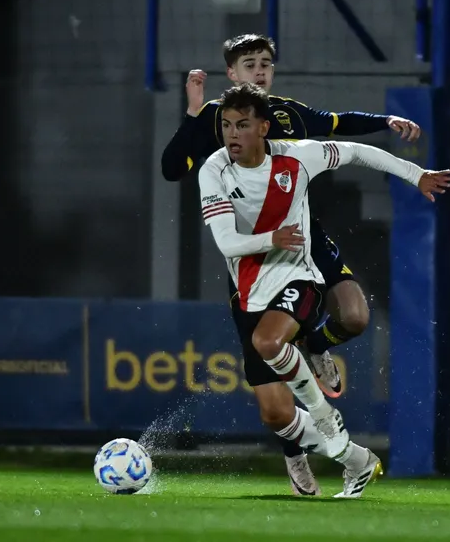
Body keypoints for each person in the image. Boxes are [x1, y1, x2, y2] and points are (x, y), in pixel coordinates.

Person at [162, 33, 422, 494]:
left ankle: (318, 353)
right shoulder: (212, 129)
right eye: (249, 64)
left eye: (265, 63)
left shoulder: (286, 121)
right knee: (275, 408)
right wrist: (192, 113)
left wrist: (390, 126)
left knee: (353, 316)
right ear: (232, 74)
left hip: (299, 240)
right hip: (250, 261)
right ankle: (310, 453)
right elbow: (171, 168)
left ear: (262, 123)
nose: (259, 71)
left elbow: (341, 128)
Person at [199, 82, 450, 498]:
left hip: (299, 276)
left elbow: (357, 152)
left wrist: (417, 174)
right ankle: (357, 461)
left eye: (242, 125)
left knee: (270, 341)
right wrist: (271, 239)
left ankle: (323, 412)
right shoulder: (214, 169)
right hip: (249, 289)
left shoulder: (299, 156)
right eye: (226, 125)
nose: (232, 135)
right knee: (276, 414)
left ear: (264, 128)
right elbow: (227, 243)